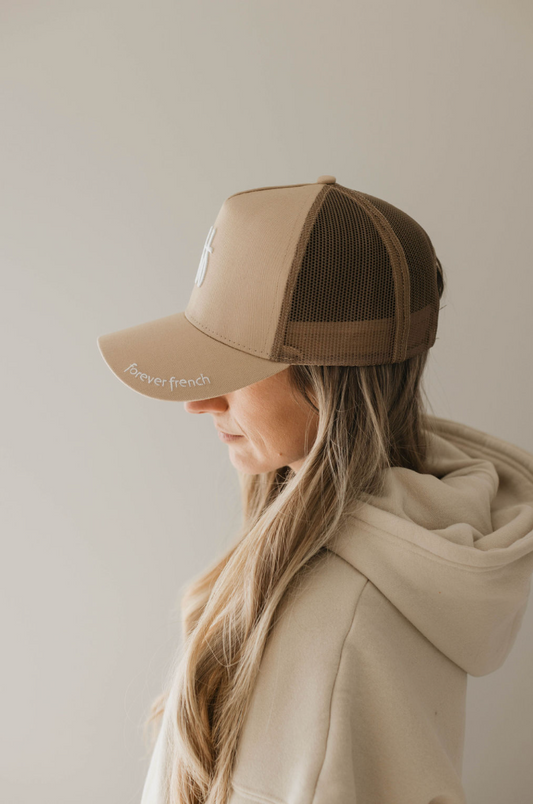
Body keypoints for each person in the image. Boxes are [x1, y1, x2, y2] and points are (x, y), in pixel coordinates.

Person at [97, 175, 533, 804]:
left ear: (330, 384)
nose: (200, 401)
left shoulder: (318, 627)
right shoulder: (422, 540)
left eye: (236, 364)